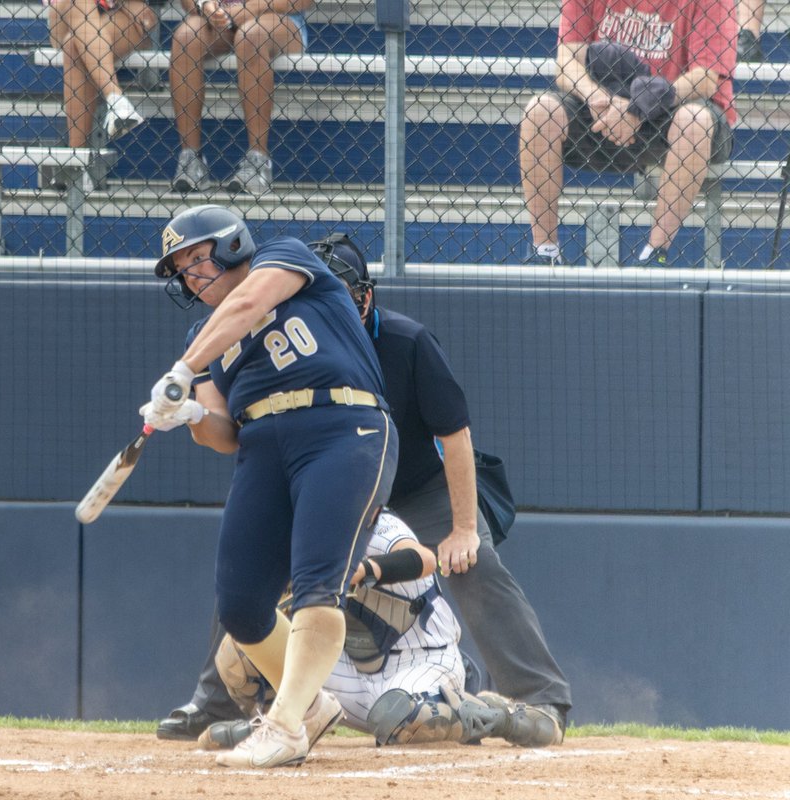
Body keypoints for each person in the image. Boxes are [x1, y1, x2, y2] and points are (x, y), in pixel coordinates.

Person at [156, 233, 571, 745]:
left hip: (416, 485)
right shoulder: (273, 338)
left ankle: (540, 698)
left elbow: (455, 435)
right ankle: (228, 702)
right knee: (253, 574)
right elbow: (233, 425)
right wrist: (195, 410)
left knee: (475, 563)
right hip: (327, 474)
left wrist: (464, 527)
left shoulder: (405, 340)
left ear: (364, 297)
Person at [142, 204, 397, 768]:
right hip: (262, 447)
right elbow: (224, 433)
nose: (189, 276)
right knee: (241, 604)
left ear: (232, 246)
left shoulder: (285, 255)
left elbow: (250, 302)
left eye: (195, 259)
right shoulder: (204, 339)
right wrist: (185, 415)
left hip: (341, 427)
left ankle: (283, 726)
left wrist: (181, 370)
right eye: (180, 269)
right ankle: (309, 708)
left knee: (317, 584)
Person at [198, 510, 565, 750]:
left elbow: (424, 559)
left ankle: (498, 714)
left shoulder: (374, 521)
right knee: (240, 652)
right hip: (348, 671)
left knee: (402, 719)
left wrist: (363, 571)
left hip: (420, 659)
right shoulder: (291, 535)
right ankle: (284, 725)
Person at [519, 0, 737, 267]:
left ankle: (655, 255)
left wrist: (639, 107)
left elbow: (704, 78)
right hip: (604, 109)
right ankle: (545, 251)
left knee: (695, 119)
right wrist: (596, 98)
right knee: (540, 111)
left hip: (672, 107)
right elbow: (566, 63)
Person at [168, 0, 312, 195]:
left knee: (250, 36)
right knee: (185, 38)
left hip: (278, 18)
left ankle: (258, 161)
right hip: (221, 17)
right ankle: (191, 160)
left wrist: (253, 8)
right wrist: (205, 6)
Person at [47, 0, 151, 149]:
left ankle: (78, 161)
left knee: (73, 45)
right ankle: (116, 99)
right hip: (66, 15)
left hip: (122, 14)